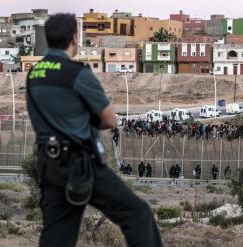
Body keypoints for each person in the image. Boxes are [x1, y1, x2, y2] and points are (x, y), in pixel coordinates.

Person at [25, 14, 162, 247]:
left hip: (48, 164)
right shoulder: (77, 73)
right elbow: (109, 119)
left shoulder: (34, 74)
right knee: (137, 214)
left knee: (57, 236)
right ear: (75, 38)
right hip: (79, 162)